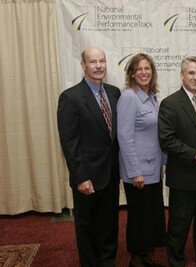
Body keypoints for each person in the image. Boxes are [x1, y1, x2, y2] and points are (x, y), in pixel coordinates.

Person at [57, 47, 121, 267]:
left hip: (112, 173)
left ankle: (108, 261)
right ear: (83, 65)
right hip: (88, 177)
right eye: (92, 62)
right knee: (87, 226)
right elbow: (69, 142)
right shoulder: (70, 98)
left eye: (102, 61)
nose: (98, 66)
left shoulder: (114, 93)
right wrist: (80, 176)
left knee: (110, 223)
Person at [158, 56, 196, 267]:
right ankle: (176, 260)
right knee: (179, 223)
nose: (195, 77)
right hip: (183, 175)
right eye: (191, 73)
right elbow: (166, 140)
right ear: (182, 75)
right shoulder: (170, 103)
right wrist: (193, 153)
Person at [117, 53, 166, 267]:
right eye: (139, 69)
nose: (144, 72)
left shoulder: (152, 97)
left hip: (153, 169)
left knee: (150, 214)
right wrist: (135, 171)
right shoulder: (129, 97)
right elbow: (124, 137)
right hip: (138, 172)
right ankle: (136, 258)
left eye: (148, 69)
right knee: (139, 216)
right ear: (132, 73)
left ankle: (145, 255)